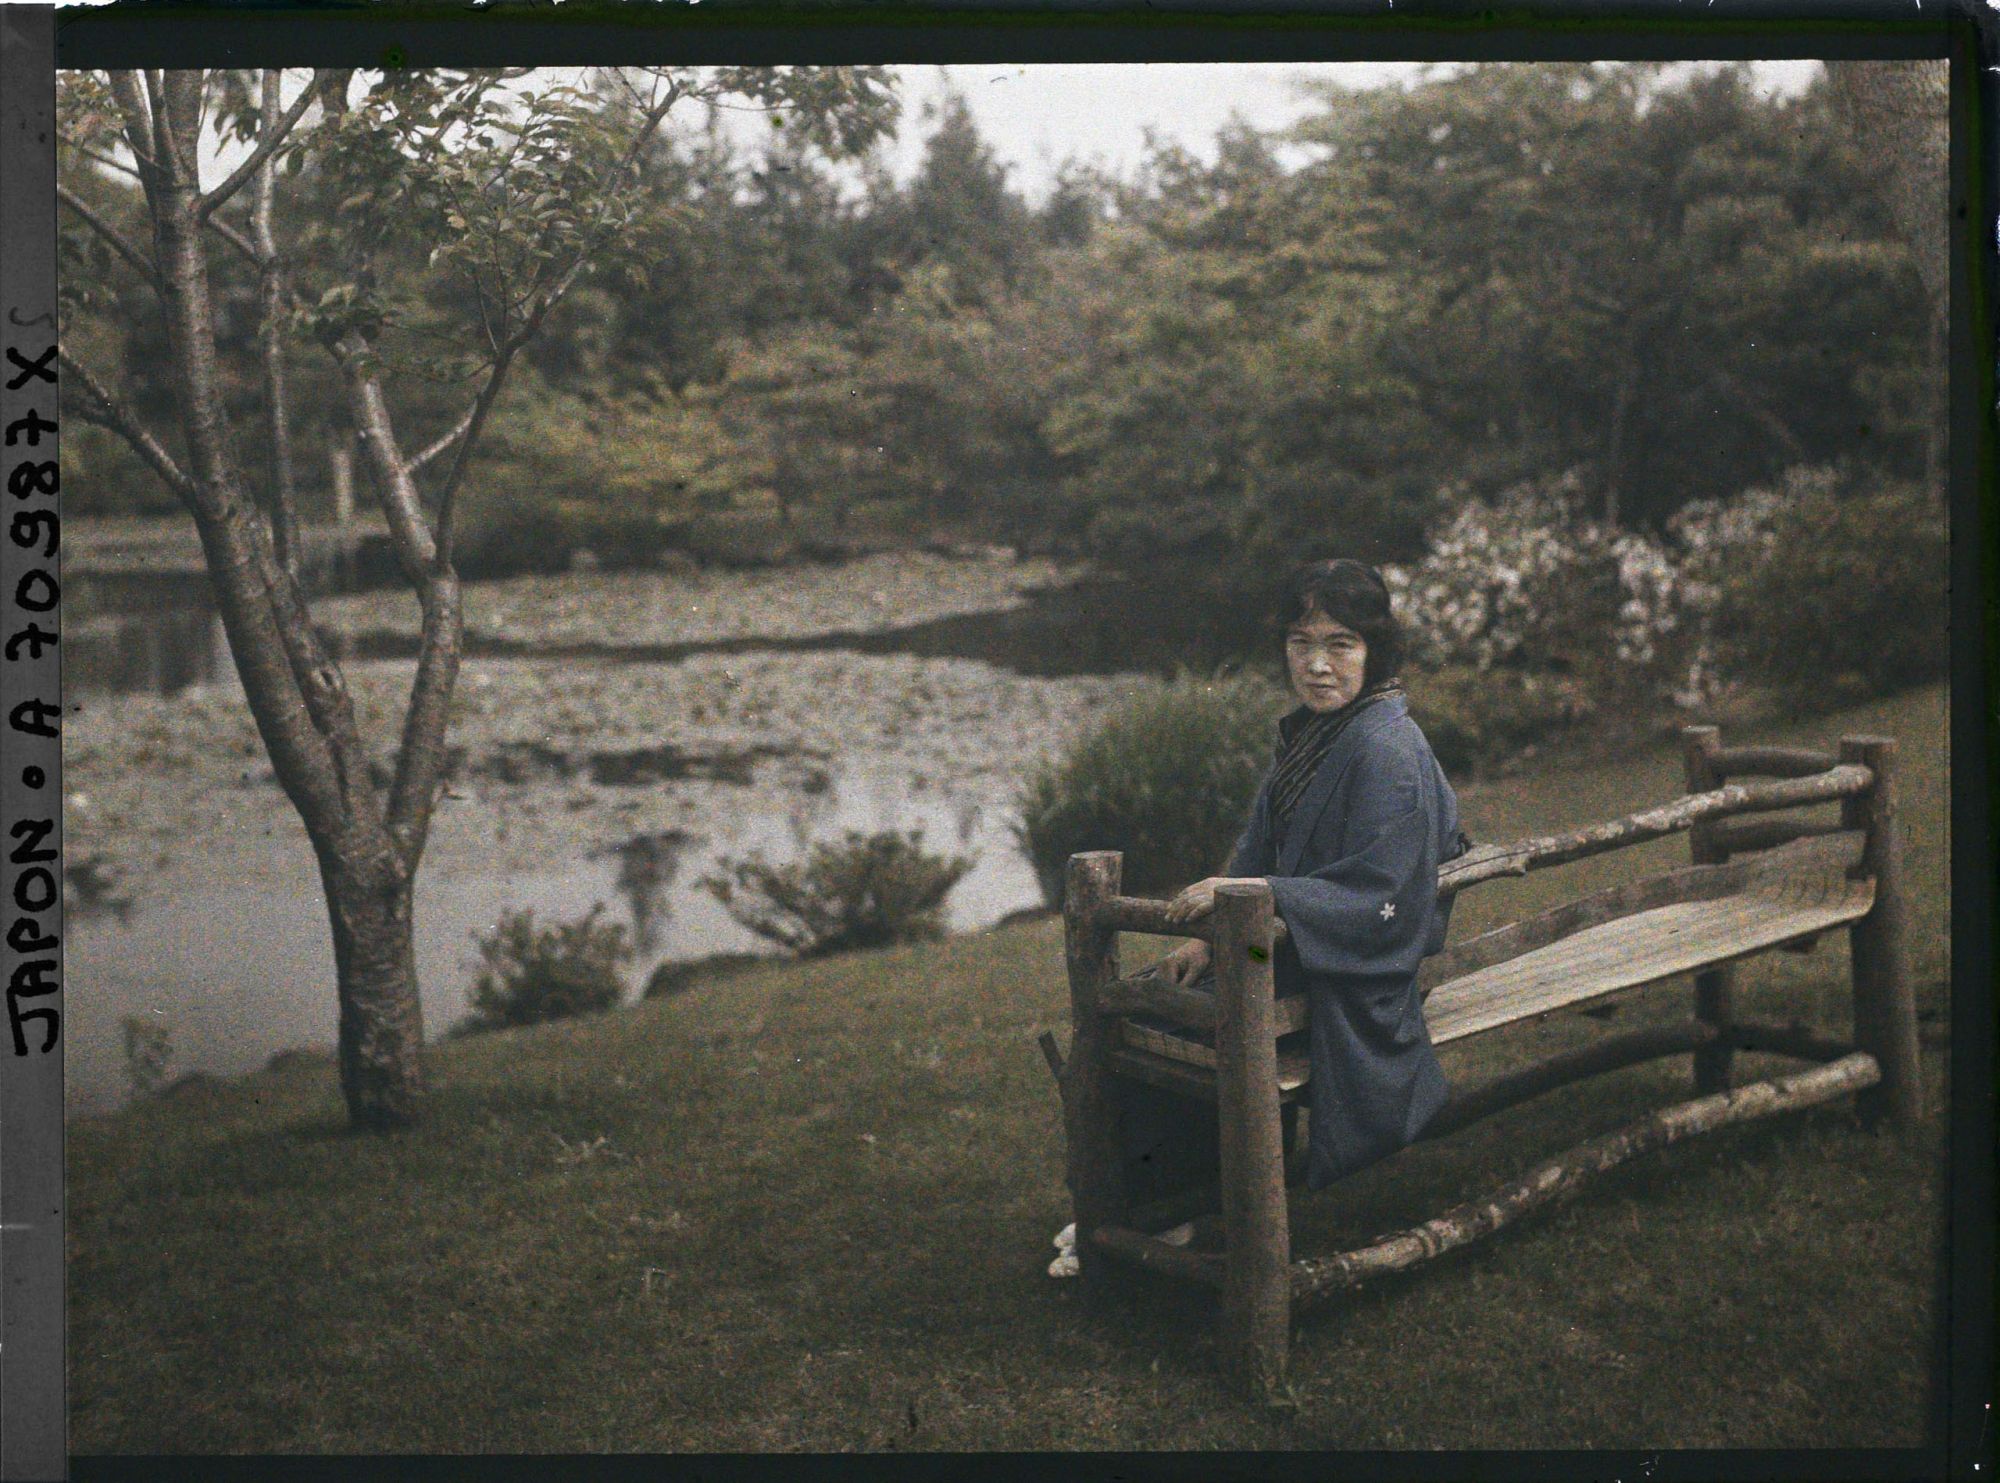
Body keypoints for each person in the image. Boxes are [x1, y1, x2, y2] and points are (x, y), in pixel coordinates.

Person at [1135, 557, 1466, 1197]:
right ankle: (1168, 1196)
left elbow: (1381, 894)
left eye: (1340, 645)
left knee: (1170, 1019)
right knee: (1152, 994)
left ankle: (1185, 1204)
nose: (1316, 665)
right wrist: (1205, 939)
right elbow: (1258, 848)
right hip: (1289, 941)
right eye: (1300, 643)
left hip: (1354, 968)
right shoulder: (1319, 733)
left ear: (1376, 651)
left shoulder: (1384, 749)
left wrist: (1257, 895)